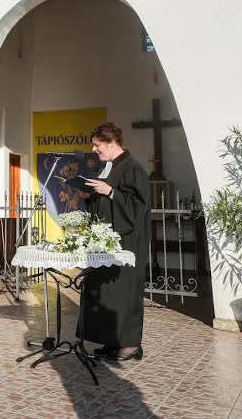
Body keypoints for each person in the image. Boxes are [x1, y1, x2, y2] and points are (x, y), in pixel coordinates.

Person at [80, 122, 150, 361]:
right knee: (106, 293)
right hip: (106, 241)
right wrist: (90, 195)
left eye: (97, 145)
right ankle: (112, 342)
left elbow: (137, 207)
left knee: (124, 293)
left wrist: (110, 192)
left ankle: (130, 346)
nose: (94, 149)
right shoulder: (109, 167)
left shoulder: (132, 168)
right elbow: (104, 201)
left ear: (111, 143)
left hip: (127, 242)